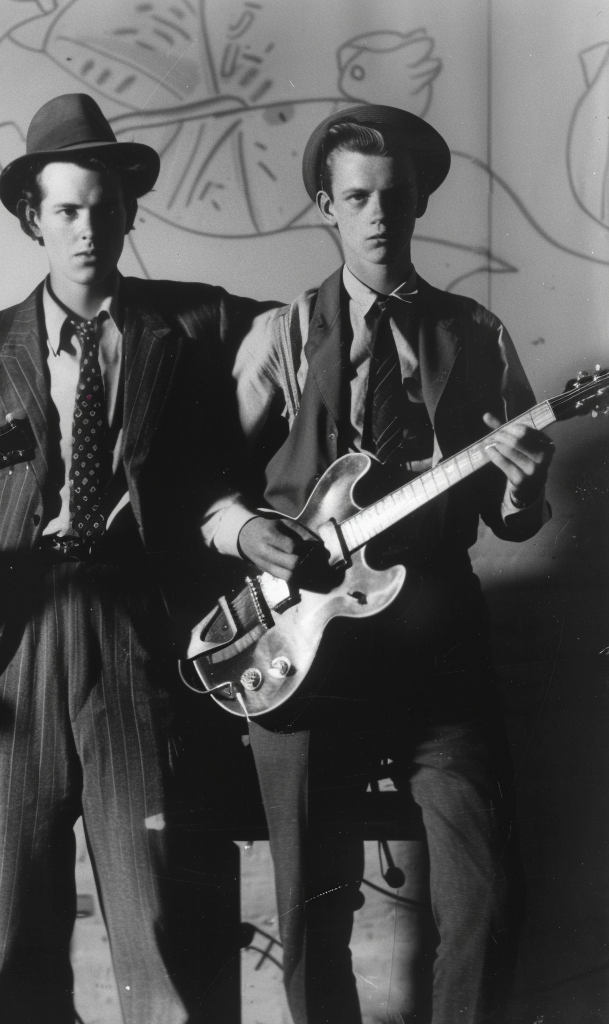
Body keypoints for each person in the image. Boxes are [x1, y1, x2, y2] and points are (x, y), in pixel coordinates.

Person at [0, 93, 264, 1024]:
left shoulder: (198, 328)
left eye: (104, 209)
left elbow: (316, 333)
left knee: (161, 928)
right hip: (13, 643)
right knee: (22, 936)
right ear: (33, 218)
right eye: (66, 210)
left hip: (142, 632)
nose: (88, 229)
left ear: (130, 213)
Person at [213, 105, 555, 1023]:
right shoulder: (282, 336)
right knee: (313, 912)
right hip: (311, 649)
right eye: (357, 197)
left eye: (395, 197)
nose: (378, 216)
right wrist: (248, 531)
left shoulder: (475, 335)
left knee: (487, 893)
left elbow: (512, 518)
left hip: (439, 647)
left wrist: (523, 488)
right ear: (327, 205)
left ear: (418, 204)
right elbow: (207, 488)